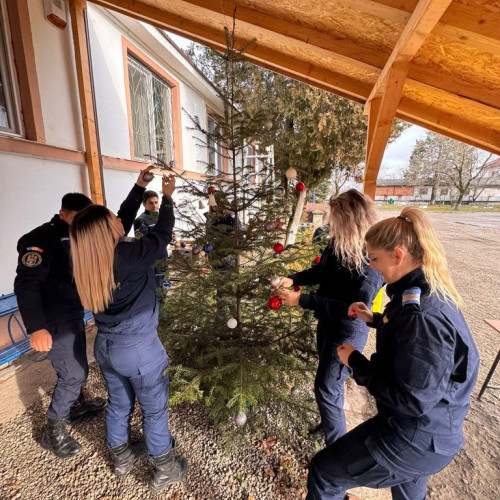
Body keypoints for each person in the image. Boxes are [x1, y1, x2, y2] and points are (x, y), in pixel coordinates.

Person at [306, 207, 479, 500]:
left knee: (324, 473)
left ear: (398, 255)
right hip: (431, 430)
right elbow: (407, 332)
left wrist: (355, 362)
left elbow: (410, 399)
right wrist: (374, 319)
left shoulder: (422, 317)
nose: (371, 266)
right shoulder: (420, 290)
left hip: (414, 436)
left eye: (374, 258)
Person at [70, 171, 188, 491]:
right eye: (114, 217)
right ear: (110, 229)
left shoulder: (86, 260)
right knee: (153, 407)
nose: (120, 217)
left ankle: (121, 459)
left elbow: (117, 220)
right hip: (139, 349)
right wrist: (166, 197)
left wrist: (138, 187)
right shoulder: (129, 255)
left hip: (106, 346)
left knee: (119, 402)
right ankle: (164, 465)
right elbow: (162, 233)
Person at [277, 189, 383, 446]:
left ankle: (337, 453)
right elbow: (321, 271)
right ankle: (329, 424)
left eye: (335, 217)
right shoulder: (338, 243)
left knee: (327, 387)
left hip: (348, 330)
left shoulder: (372, 258)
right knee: (327, 385)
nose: (329, 222)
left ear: (349, 219)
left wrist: (301, 300)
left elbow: (355, 307)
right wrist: (295, 279)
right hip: (327, 322)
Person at [14, 192, 108, 459]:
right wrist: (36, 327)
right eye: (78, 219)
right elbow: (26, 284)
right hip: (53, 318)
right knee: (73, 374)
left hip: (73, 312)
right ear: (63, 213)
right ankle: (51, 433)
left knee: (78, 363)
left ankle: (76, 407)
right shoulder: (39, 239)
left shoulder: (80, 233)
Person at [134, 189, 171, 296]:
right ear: (144, 204)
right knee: (154, 290)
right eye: (150, 203)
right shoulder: (140, 221)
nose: (154, 205)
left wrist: (170, 236)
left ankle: (163, 308)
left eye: (156, 202)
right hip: (151, 260)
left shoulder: (161, 217)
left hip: (164, 257)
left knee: (165, 286)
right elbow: (141, 243)